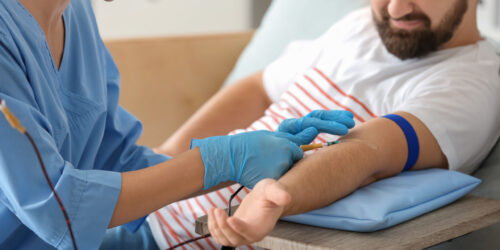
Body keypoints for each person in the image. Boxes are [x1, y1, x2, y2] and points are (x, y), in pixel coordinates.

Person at [0, 0, 358, 249]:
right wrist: (219, 160)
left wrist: (241, 155)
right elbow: (55, 208)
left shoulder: (74, 12)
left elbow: (116, 157)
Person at [152, 0, 500, 248]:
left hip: (195, 238)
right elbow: (259, 88)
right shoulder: (358, 26)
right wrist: (169, 153)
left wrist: (274, 200)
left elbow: (367, 152)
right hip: (155, 208)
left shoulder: (470, 85)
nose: (395, 8)